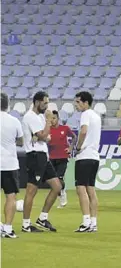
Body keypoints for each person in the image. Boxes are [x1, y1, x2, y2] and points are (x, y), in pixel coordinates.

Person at [22, 91, 62, 233]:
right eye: (45, 103)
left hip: (43, 155)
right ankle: (26, 225)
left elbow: (45, 136)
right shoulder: (31, 117)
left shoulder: (38, 116)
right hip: (35, 156)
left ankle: (42, 218)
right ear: (38, 102)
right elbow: (45, 136)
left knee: (57, 186)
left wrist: (44, 134)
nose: (46, 106)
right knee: (31, 190)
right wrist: (48, 121)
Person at [74, 91, 101, 232]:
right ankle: (93, 222)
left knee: (80, 188)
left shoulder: (85, 115)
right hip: (95, 157)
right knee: (91, 189)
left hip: (84, 155)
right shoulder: (97, 116)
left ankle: (85, 222)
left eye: (78, 102)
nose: (76, 105)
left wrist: (78, 147)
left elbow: (83, 131)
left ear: (86, 103)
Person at [1, 93, 24, 238]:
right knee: (11, 197)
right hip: (9, 164)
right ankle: (8, 229)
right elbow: (21, 142)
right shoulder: (15, 121)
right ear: (8, 104)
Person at [48, 110, 77, 208]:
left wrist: (70, 148)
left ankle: (62, 195)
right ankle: (61, 193)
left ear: (58, 119)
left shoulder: (65, 128)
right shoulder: (47, 130)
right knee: (54, 181)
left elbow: (74, 137)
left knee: (59, 178)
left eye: (54, 118)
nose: (52, 120)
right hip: (51, 157)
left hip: (63, 156)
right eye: (50, 118)